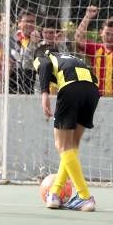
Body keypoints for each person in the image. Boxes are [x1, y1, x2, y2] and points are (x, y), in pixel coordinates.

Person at [33, 45, 99, 211]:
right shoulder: (70, 57)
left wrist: (44, 94)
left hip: (71, 88)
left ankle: (85, 196)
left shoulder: (44, 56)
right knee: (72, 146)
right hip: (92, 90)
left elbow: (44, 66)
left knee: (61, 145)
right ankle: (55, 194)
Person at [8, 11, 38, 94]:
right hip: (12, 88)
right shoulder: (10, 41)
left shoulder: (40, 42)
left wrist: (34, 44)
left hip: (32, 88)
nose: (29, 24)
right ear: (19, 23)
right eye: (26, 21)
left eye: (32, 22)